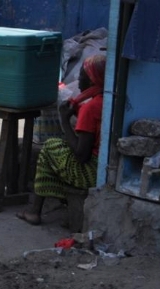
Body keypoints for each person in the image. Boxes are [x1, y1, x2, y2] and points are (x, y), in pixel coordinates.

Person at [16, 54, 107, 226]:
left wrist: (64, 120)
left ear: (93, 80)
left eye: (82, 75)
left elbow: (81, 155)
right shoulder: (105, 102)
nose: (78, 79)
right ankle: (65, 205)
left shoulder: (91, 108)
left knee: (49, 147)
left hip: (91, 172)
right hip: (105, 168)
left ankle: (35, 211)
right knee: (58, 148)